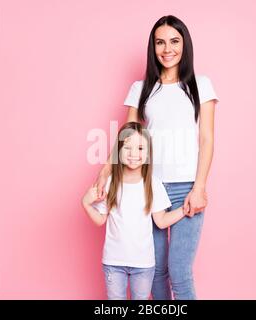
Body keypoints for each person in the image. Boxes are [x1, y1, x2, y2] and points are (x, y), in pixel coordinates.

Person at [94, 15, 220, 300]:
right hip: (149, 188)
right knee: (156, 271)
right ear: (153, 47)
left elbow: (207, 139)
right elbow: (126, 136)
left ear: (184, 45)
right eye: (160, 42)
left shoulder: (201, 85)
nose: (167, 49)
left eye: (174, 42)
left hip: (187, 187)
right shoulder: (141, 90)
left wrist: (199, 187)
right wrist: (104, 171)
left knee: (180, 271)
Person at [82, 122, 190, 300]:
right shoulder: (110, 182)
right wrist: (86, 203)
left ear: (148, 154)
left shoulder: (153, 184)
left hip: (143, 265)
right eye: (127, 147)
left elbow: (161, 220)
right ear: (118, 151)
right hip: (113, 263)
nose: (133, 154)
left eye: (140, 148)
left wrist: (184, 210)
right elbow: (101, 219)